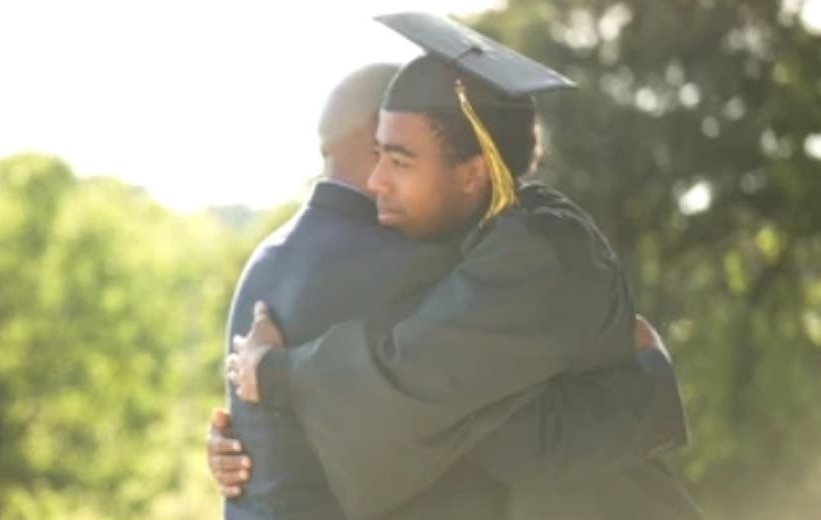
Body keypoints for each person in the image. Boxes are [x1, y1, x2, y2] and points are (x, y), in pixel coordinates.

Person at [227, 12, 700, 520]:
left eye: (400, 161)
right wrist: (257, 436)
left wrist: (276, 374)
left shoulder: (543, 249)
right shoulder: (480, 246)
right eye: (378, 155)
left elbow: (455, 401)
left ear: (474, 173)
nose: (378, 181)